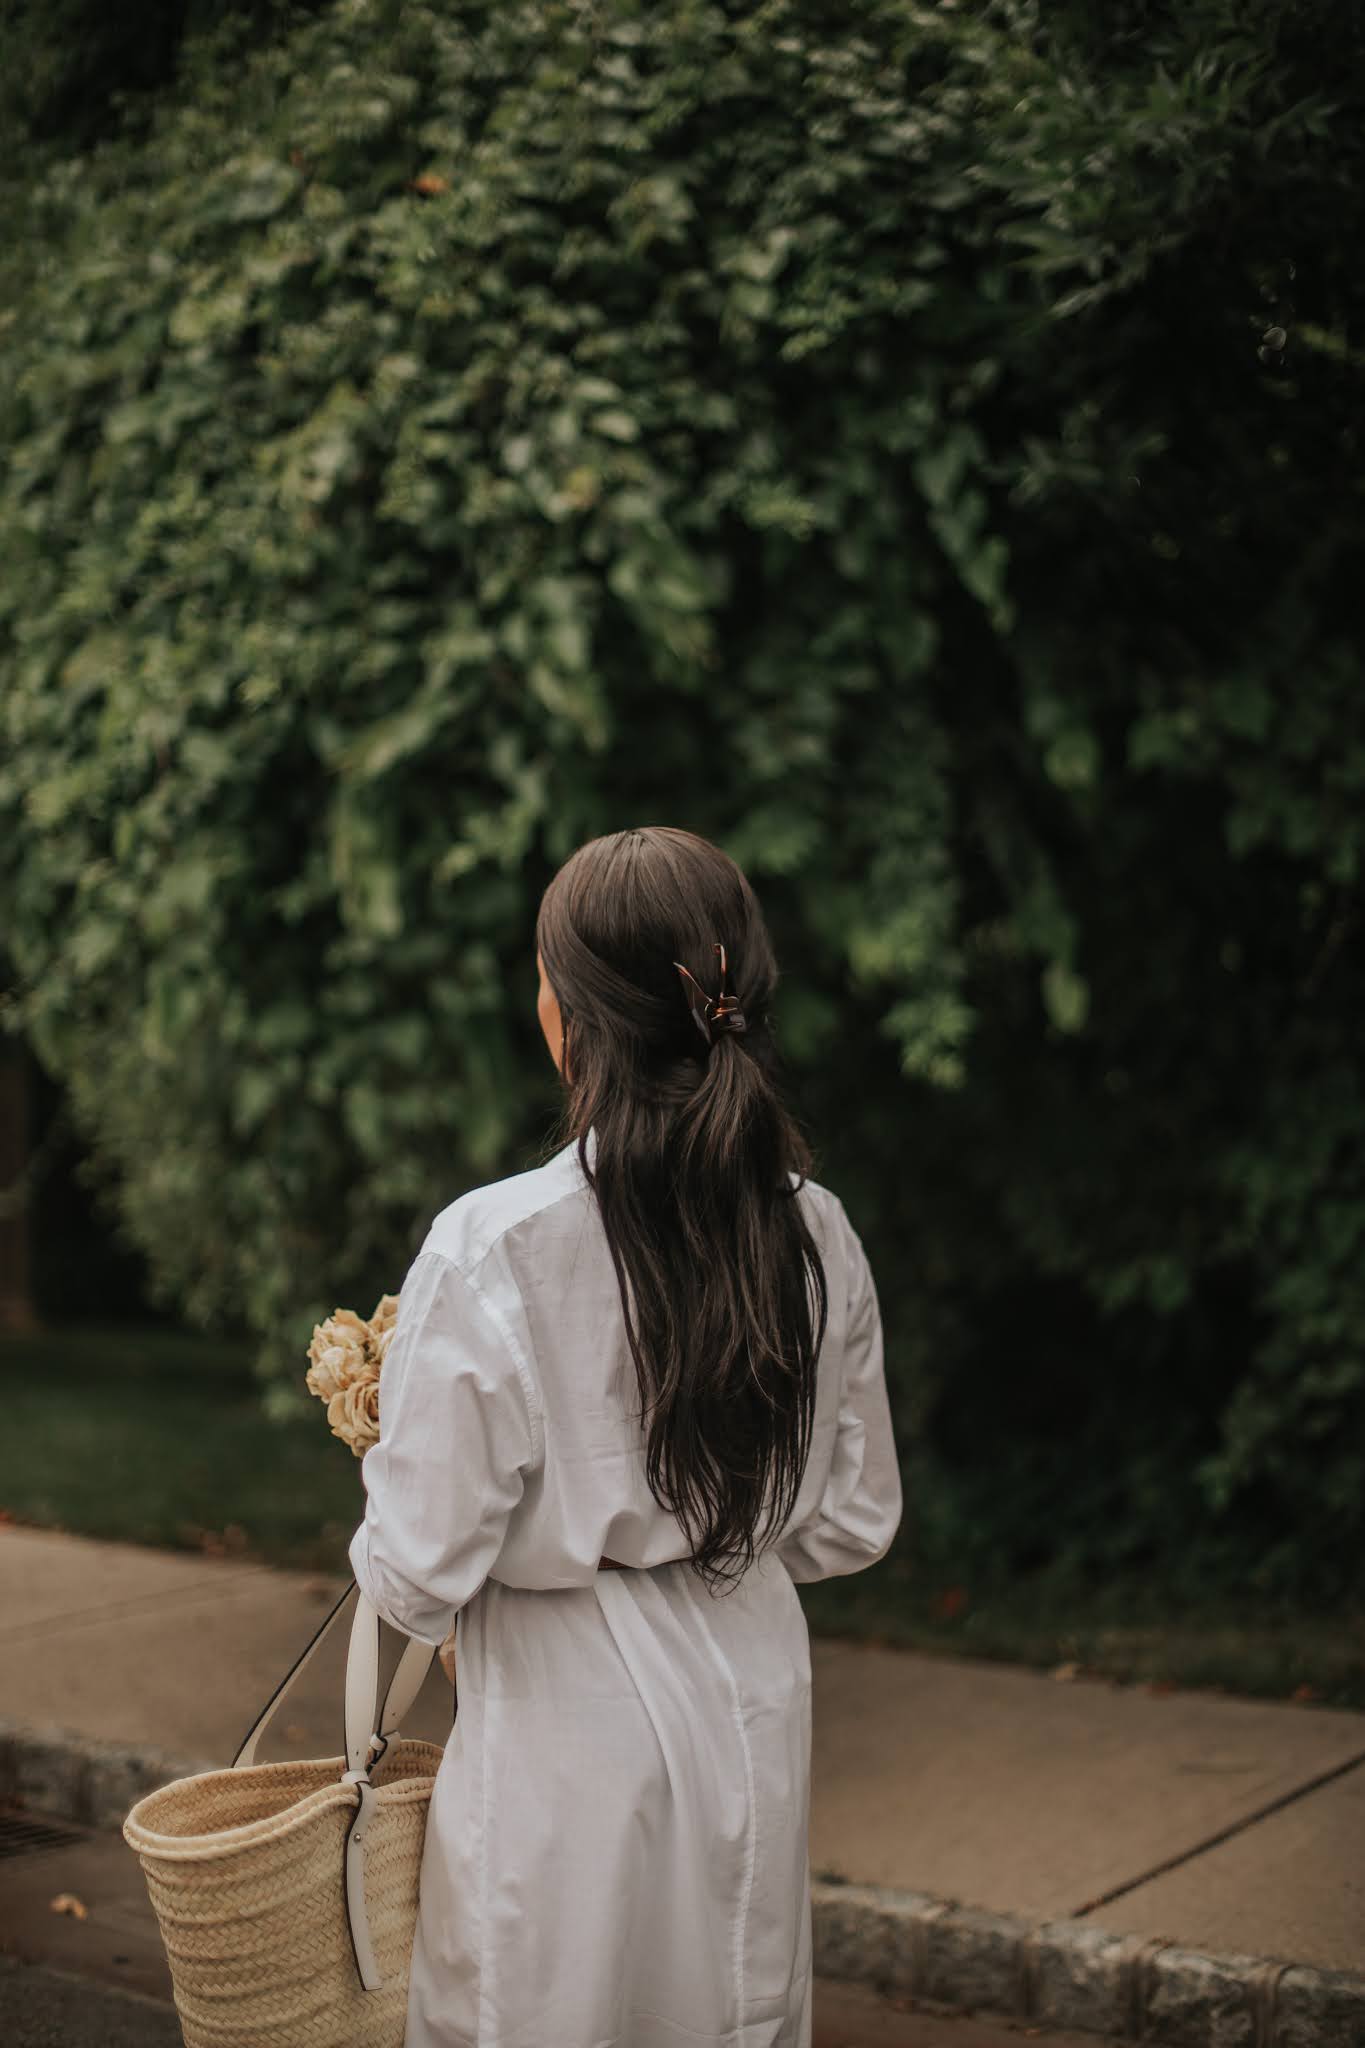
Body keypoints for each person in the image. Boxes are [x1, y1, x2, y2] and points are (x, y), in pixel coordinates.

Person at [348, 824, 902, 2048]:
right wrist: (714, 1545)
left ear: (569, 1017)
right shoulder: (818, 1232)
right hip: (756, 1691)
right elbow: (856, 1518)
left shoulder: (495, 1245)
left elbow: (413, 1569)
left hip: (562, 1719)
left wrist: (392, 1442)